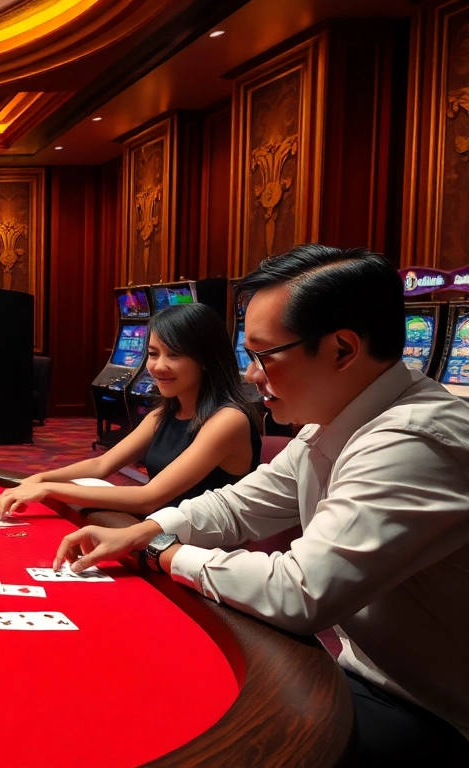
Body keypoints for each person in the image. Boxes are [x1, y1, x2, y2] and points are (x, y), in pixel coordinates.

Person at [52, 245, 469, 762]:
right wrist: (146, 528)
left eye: (263, 355)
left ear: (342, 349)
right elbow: (239, 505)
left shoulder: (411, 440)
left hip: (432, 713)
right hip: (366, 674)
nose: (251, 376)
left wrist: (161, 551)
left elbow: (300, 594)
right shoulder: (335, 420)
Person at [0, 303, 261, 517]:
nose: (157, 366)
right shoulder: (165, 412)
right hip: (161, 533)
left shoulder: (228, 420)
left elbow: (149, 498)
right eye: (153, 354)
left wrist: (48, 490)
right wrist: (38, 479)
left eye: (174, 355)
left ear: (206, 359)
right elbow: (101, 464)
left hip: (201, 556)